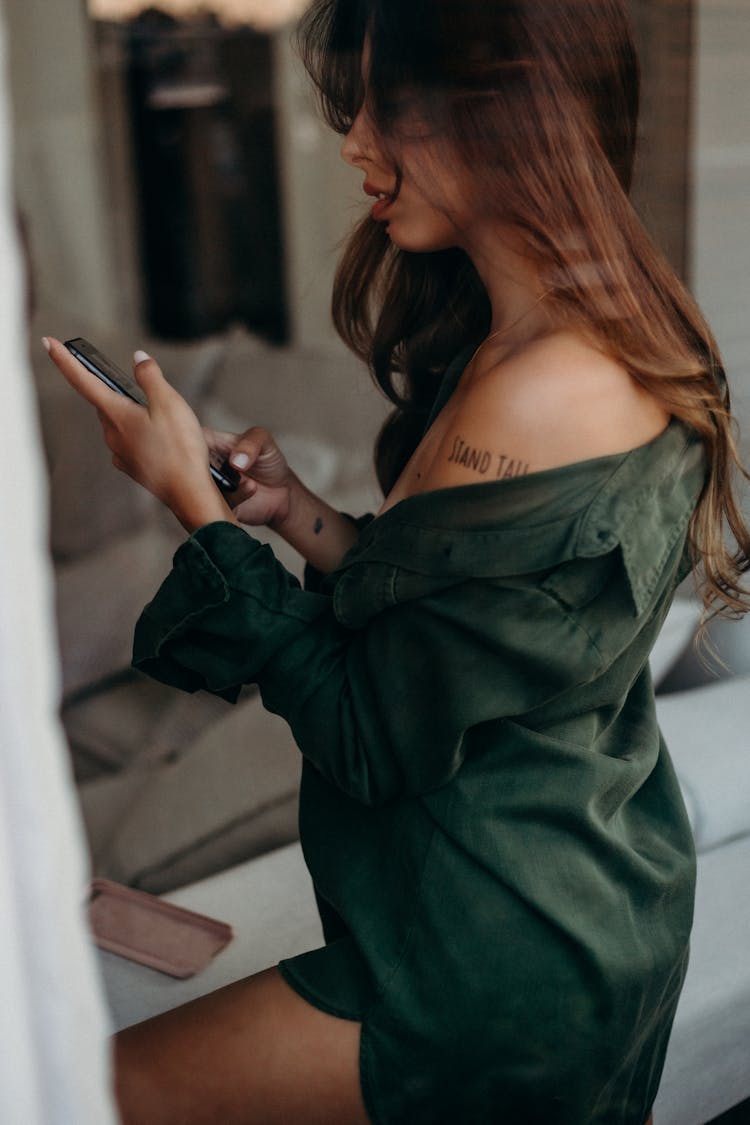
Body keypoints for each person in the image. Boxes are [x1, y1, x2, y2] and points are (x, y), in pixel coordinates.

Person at [45, 0, 750, 1122]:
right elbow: (454, 631)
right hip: (562, 898)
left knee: (74, 1095)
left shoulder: (540, 390)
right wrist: (298, 514)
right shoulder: (565, 339)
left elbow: (372, 732)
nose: (356, 139)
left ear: (511, 115)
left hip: (487, 953)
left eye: (393, 104)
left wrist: (197, 507)